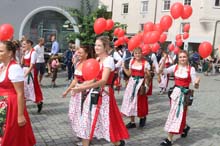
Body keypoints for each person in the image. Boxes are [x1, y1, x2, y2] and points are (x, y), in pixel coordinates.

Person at [72, 36, 129, 146]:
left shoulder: (109, 60)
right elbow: (94, 78)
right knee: (86, 119)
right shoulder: (97, 60)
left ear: (105, 47)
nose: (96, 47)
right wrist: (82, 84)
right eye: (95, 45)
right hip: (94, 93)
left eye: (99, 45)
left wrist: (83, 88)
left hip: (104, 96)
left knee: (105, 123)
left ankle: (118, 143)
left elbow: (103, 81)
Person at [159, 50, 200, 146]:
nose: (182, 58)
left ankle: (169, 139)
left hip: (184, 95)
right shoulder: (175, 67)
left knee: (177, 115)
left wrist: (197, 83)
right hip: (175, 94)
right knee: (176, 115)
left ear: (187, 58)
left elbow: (195, 85)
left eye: (184, 57)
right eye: (180, 57)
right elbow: (162, 71)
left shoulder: (191, 69)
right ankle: (185, 127)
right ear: (178, 58)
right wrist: (164, 59)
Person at [0, 41, 36, 146]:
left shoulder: (14, 68)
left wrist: (20, 115)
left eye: (1, 51)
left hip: (11, 106)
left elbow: (20, 93)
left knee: (11, 135)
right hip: (2, 104)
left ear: (10, 53)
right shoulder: (2, 66)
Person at [62, 45, 93, 141]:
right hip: (76, 92)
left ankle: (85, 136)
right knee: (73, 113)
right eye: (77, 52)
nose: (77, 54)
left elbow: (92, 80)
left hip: (84, 92)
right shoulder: (78, 63)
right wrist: (67, 91)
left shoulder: (89, 64)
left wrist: (82, 87)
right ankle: (80, 133)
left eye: (80, 52)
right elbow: (75, 80)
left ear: (86, 54)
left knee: (83, 114)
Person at [121, 47, 151, 128]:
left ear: (142, 54)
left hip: (140, 84)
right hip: (132, 83)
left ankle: (142, 117)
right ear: (133, 54)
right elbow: (129, 74)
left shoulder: (145, 63)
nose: (137, 55)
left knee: (139, 102)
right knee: (130, 102)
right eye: (136, 53)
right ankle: (132, 122)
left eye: (139, 53)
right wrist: (123, 67)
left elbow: (149, 76)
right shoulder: (132, 61)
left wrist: (147, 72)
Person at [21, 39, 44, 113]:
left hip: (30, 72)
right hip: (24, 69)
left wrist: (25, 74)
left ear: (29, 44)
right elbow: (22, 63)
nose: (23, 46)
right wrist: (23, 54)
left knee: (31, 87)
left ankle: (39, 102)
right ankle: (23, 106)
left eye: (24, 44)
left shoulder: (33, 53)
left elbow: (32, 66)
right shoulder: (26, 52)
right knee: (23, 88)